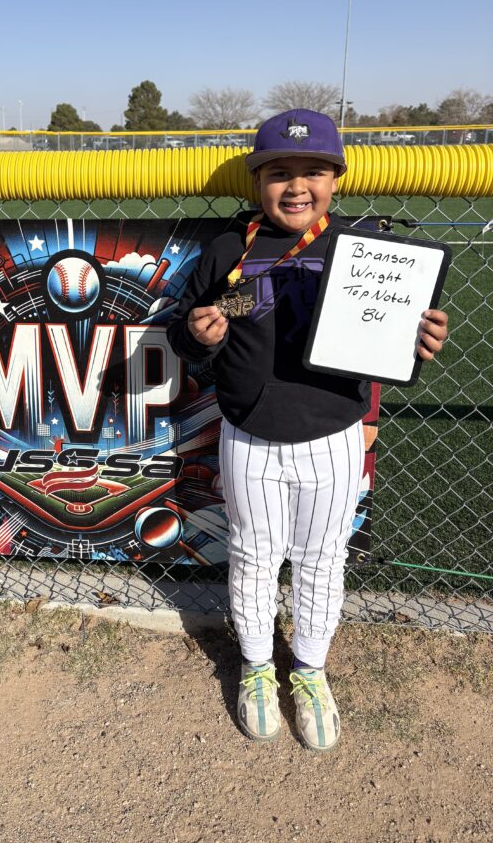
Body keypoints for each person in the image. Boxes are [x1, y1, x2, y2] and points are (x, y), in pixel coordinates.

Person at [166, 108, 448, 751]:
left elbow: (393, 335)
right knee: (253, 555)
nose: (297, 186)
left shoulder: (364, 249)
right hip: (249, 435)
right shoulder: (228, 249)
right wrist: (197, 335)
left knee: (323, 559)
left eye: (314, 171)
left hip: (333, 432)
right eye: (279, 172)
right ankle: (257, 666)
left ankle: (311, 671)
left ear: (336, 180)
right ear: (257, 181)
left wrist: (416, 341)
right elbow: (184, 332)